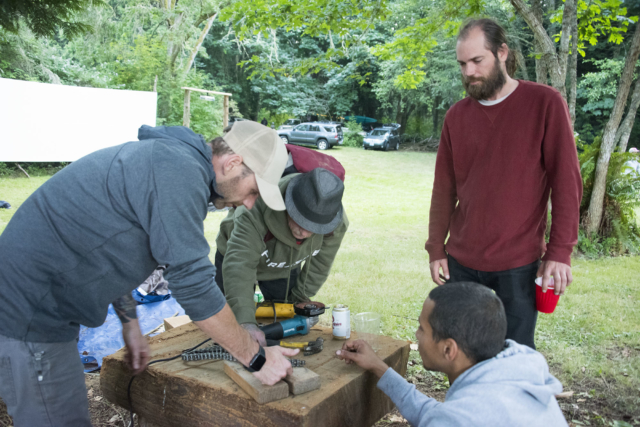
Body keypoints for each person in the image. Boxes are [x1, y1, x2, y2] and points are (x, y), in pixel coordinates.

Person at [0, 121, 298, 426]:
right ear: (233, 163)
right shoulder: (178, 173)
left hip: (40, 305)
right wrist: (256, 358)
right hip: (30, 313)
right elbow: (194, 285)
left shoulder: (172, 161)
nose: (249, 205)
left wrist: (129, 323)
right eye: (253, 192)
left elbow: (107, 246)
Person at [425, 18, 583, 349]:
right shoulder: (456, 117)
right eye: (462, 64)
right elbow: (444, 190)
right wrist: (436, 248)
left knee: (515, 355)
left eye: (476, 61)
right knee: (461, 353)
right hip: (462, 262)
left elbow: (566, 183)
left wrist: (560, 252)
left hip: (519, 264)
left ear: (502, 53)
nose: (468, 72)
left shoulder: (544, 103)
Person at [336, 282, 568, 426]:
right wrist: (379, 367)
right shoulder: (518, 367)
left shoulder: (460, 419)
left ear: (448, 349)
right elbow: (434, 415)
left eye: (422, 329)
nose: (416, 335)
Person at [215, 168, 348, 345]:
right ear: (288, 204)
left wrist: (299, 301)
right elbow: (240, 266)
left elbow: (319, 266)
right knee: (223, 328)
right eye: (300, 220)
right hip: (235, 258)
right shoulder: (254, 208)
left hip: (283, 265)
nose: (305, 231)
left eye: (314, 227)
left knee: (285, 322)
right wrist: (246, 323)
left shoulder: (334, 225)